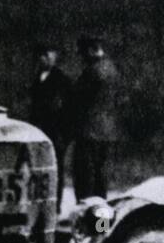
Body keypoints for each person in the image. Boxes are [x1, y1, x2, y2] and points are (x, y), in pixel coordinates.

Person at [70, 35, 121, 201]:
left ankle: (86, 224)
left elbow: (77, 100)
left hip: (88, 133)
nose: (82, 58)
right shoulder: (112, 69)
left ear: (91, 50)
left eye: (83, 53)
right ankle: (102, 226)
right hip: (108, 133)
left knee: (85, 184)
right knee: (101, 185)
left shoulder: (92, 72)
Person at [28, 43, 73, 213]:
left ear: (55, 57)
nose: (44, 59)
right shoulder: (37, 78)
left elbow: (69, 110)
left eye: (48, 55)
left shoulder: (62, 80)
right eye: (42, 55)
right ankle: (39, 204)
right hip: (39, 131)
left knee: (55, 170)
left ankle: (55, 206)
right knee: (38, 169)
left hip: (55, 133)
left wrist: (64, 135)